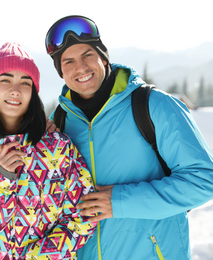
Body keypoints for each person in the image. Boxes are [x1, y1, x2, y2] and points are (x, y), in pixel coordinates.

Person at [45, 15, 213, 260]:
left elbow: (203, 180)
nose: (80, 68)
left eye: (87, 55)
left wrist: (120, 201)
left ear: (103, 57)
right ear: (61, 72)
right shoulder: (59, 121)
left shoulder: (152, 105)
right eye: (68, 61)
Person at [0, 42, 97, 259]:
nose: (15, 90)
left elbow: (84, 216)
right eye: (6, 80)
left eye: (25, 83)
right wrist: (4, 182)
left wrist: (39, 256)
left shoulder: (59, 147)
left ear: (33, 93)